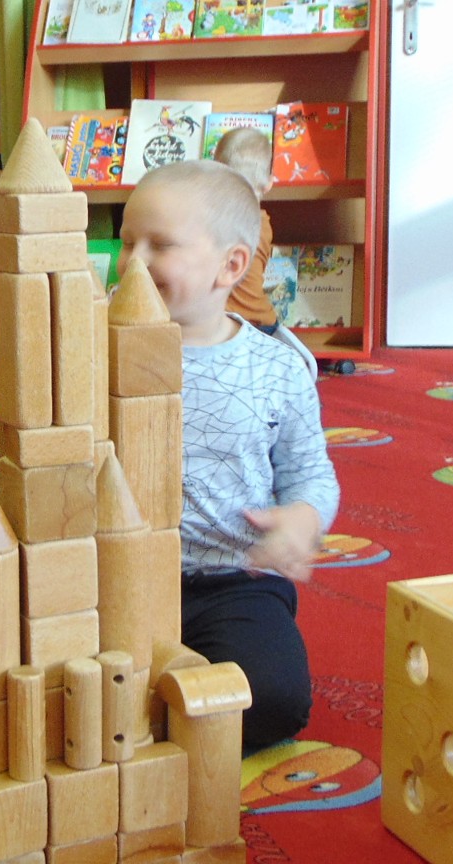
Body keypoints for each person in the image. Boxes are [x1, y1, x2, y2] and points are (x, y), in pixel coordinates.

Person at [117, 159, 339, 753]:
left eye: (160, 245)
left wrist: (302, 518)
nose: (132, 261)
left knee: (273, 697)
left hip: (229, 579)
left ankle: (161, 716)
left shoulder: (279, 368)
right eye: (127, 241)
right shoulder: (97, 342)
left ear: (232, 265)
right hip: (113, 576)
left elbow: (310, 473)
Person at [212, 127, 319, 379]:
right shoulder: (263, 224)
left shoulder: (207, 221)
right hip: (264, 322)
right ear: (269, 182)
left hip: (223, 324)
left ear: (214, 175)